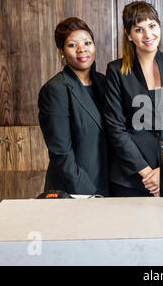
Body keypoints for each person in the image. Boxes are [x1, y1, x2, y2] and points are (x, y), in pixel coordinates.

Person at [104, 1, 163, 197]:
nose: (148, 35)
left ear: (159, 26)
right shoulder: (116, 70)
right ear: (128, 35)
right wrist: (146, 173)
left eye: (152, 26)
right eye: (138, 29)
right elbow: (115, 128)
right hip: (129, 177)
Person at [38, 17, 110, 196]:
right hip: (76, 190)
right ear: (61, 52)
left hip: (108, 185)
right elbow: (61, 153)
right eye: (72, 45)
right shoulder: (55, 90)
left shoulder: (105, 82)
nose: (82, 49)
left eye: (87, 42)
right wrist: (89, 194)